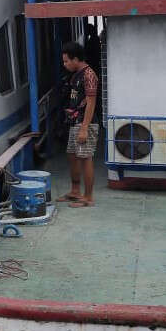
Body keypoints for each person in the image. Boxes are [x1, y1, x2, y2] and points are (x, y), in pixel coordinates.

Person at [57, 41, 100, 208]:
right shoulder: (76, 74)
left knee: (85, 158)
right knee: (72, 155)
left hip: (85, 123)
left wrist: (84, 128)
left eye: (67, 61)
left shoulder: (89, 75)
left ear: (76, 59)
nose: (65, 64)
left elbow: (91, 103)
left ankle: (88, 197)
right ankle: (75, 191)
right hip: (75, 121)